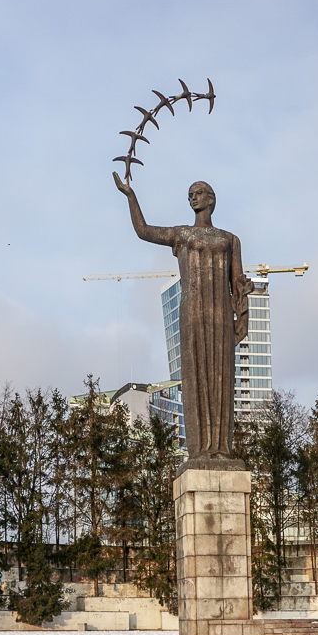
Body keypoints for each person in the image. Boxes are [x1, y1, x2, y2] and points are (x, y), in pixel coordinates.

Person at [113, 172, 253, 460]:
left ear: (211, 199)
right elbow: (144, 230)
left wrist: (242, 318)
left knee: (222, 378)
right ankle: (200, 450)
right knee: (196, 376)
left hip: (222, 315)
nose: (193, 196)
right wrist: (130, 196)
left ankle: (221, 450)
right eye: (190, 193)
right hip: (193, 312)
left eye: (199, 192)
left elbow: (238, 282)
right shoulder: (182, 234)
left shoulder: (230, 240)